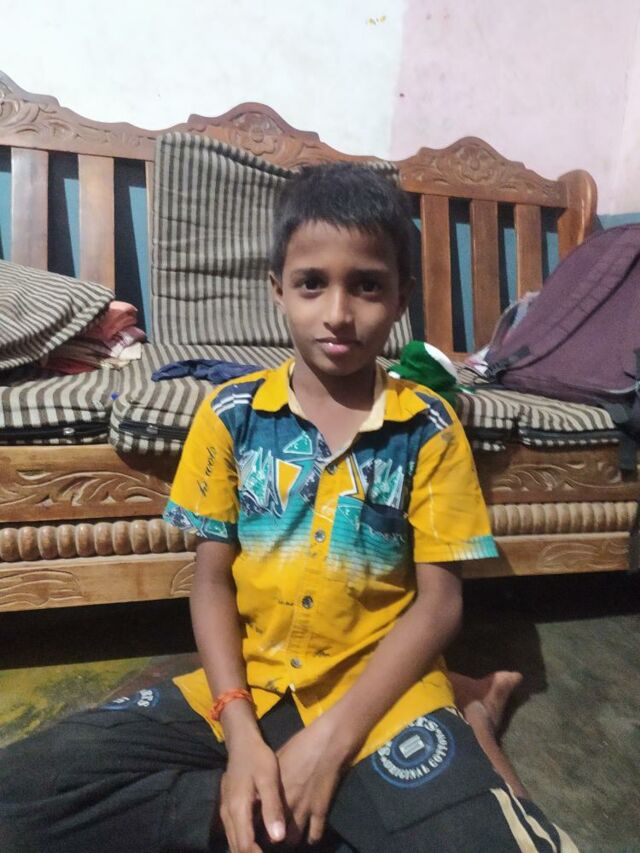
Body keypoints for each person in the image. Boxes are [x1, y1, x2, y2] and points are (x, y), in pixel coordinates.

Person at [0, 164, 575, 853]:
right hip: (247, 688)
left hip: (382, 703)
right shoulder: (232, 414)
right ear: (278, 288)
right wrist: (241, 733)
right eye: (311, 283)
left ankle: (443, 725)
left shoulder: (428, 426)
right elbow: (211, 580)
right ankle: (255, 811)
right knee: (20, 794)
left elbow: (439, 604)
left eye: (367, 285)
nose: (338, 313)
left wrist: (330, 744)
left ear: (401, 298)